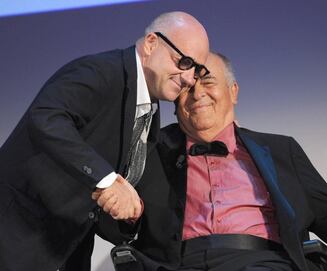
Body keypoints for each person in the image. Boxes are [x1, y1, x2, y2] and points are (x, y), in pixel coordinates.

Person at [104, 52, 327, 271]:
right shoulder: (149, 150)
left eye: (208, 81)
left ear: (233, 91)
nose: (197, 94)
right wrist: (127, 215)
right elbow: (113, 222)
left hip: (262, 262)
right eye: (187, 86)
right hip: (175, 264)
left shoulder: (280, 149)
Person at [0, 11, 210, 271]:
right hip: (16, 233)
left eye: (198, 70)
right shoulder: (101, 71)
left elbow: (107, 194)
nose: (190, 78)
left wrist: (129, 214)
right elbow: (47, 116)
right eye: (184, 61)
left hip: (65, 248)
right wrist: (107, 179)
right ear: (151, 43)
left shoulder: (149, 111)